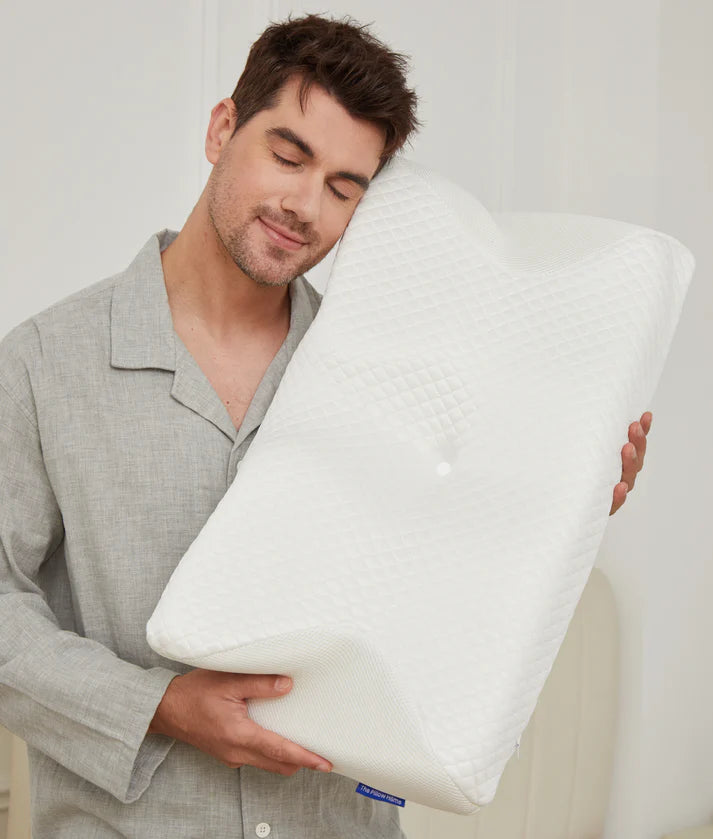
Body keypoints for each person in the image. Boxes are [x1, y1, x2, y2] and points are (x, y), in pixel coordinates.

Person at [0, 11, 650, 839]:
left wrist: (558, 504)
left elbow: (434, 587)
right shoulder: (43, 364)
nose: (304, 206)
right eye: (288, 156)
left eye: (343, 188)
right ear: (222, 128)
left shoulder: (388, 378)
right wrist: (157, 705)